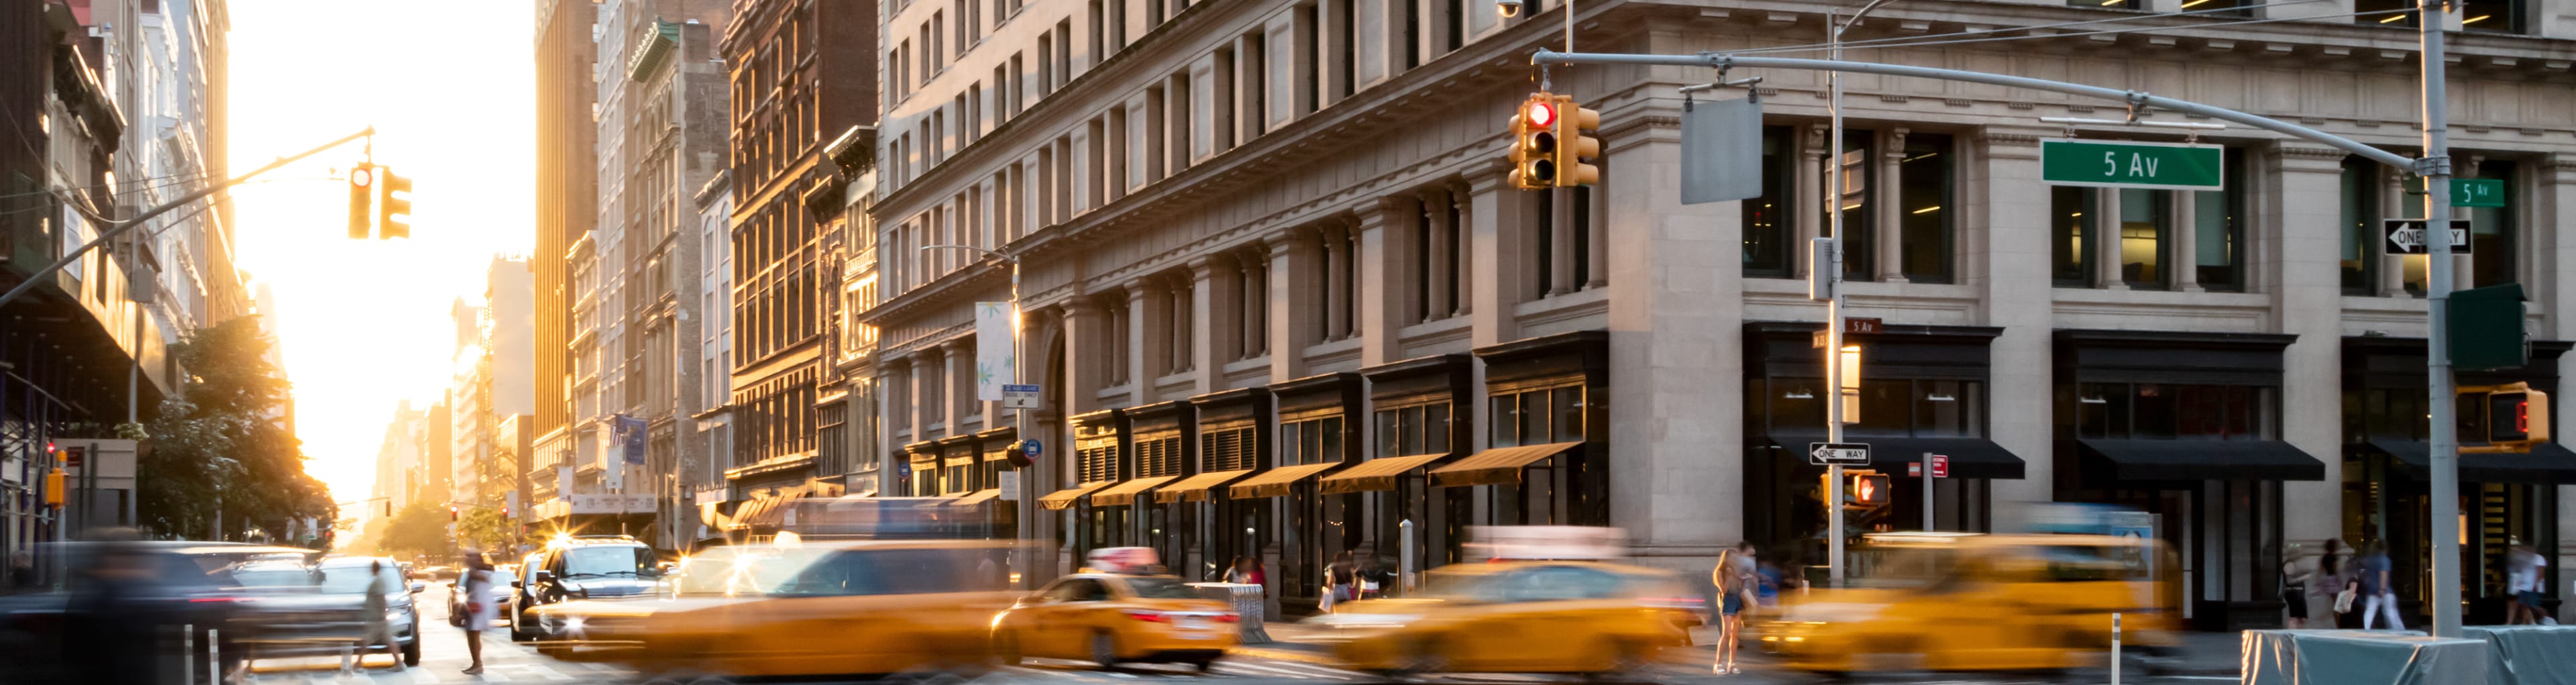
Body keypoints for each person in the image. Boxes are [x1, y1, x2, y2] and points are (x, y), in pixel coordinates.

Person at [1711, 542, 1758, 676]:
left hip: (1737, 600)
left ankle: (1732, 664)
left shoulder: (1736, 570)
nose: (1736, 561)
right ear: (1727, 559)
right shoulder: (1719, 572)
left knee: (1735, 636)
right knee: (1726, 634)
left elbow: (1740, 589)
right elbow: (1724, 590)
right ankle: (1718, 664)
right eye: (1733, 559)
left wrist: (1743, 580)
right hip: (1728, 601)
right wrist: (1730, 576)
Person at [356, 560, 400, 672]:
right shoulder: (378, 580)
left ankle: (358, 664)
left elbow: (381, 597)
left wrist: (384, 611)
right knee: (389, 641)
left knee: (367, 640)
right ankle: (399, 663)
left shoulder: (378, 581)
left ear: (374, 569)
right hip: (378, 616)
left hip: (377, 617)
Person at [460, 552, 498, 675]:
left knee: (474, 635)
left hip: (478, 608)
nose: (468, 561)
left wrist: (474, 570)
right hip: (474, 606)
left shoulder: (480, 572)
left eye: (472, 559)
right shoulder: (476, 571)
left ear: (479, 561)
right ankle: (476, 663)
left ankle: (478, 664)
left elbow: (484, 578)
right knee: (472, 635)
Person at [2359, 541, 2401, 630]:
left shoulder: (2370, 559)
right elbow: (2383, 574)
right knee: (2390, 612)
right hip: (2385, 591)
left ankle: (2366, 628)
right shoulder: (2384, 560)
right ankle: (2397, 629)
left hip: (2372, 589)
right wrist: (2382, 588)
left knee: (2370, 611)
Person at [2318, 539, 2351, 628]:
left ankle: (2332, 619)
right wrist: (2340, 580)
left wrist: (2319, 581)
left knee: (2335, 603)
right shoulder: (2334, 557)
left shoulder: (2324, 557)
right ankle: (2338, 624)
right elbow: (2336, 569)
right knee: (2337, 604)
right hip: (2333, 580)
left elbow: (2321, 570)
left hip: (2327, 580)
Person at [2279, 545, 2312, 629]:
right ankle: (2293, 634)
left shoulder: (2292, 563)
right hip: (2294, 593)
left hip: (2297, 593)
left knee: (2300, 617)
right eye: (2298, 552)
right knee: (2295, 616)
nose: (2300, 555)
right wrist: (2304, 577)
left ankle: (2296, 633)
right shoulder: (2289, 564)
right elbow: (2289, 581)